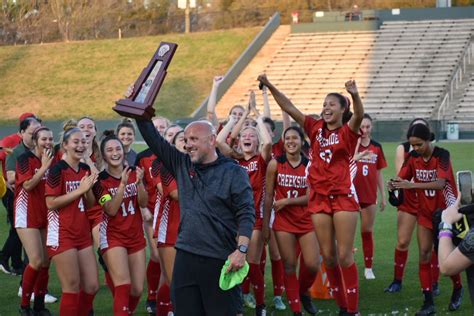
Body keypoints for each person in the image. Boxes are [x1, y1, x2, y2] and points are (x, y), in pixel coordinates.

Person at [258, 74, 364, 315]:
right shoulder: (314, 128)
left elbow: (358, 115)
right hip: (318, 198)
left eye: (332, 104)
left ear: (342, 108)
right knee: (328, 257)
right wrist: (271, 85)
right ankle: (343, 307)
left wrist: (355, 94)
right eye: (324, 104)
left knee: (345, 256)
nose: (326, 108)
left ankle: (353, 310)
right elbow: (289, 107)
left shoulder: (348, 131)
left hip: (342, 197)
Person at [136, 117, 255, 316]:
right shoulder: (182, 164)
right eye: (186, 139)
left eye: (194, 139)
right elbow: (154, 139)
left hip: (219, 259)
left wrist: (241, 250)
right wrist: (140, 111)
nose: (188, 144)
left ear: (211, 140)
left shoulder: (233, 172)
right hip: (185, 257)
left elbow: (246, 213)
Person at [388, 123, 463, 315]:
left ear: (428, 140)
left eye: (419, 144)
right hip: (425, 213)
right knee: (424, 254)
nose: (415, 149)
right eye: (412, 145)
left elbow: (440, 184)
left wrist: (410, 186)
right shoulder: (413, 157)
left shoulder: (442, 155)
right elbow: (401, 177)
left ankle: (457, 288)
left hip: (447, 212)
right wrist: (393, 185)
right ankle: (428, 301)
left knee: (447, 256)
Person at [216, 91, 273, 315]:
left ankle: (260, 305)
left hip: (255, 220)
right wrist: (234, 118)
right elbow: (220, 141)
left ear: (256, 141)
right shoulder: (234, 160)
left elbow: (268, 142)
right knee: (234, 261)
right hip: (232, 220)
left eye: (252, 135)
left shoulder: (260, 160)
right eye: (244, 135)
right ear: (239, 141)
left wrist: (257, 116)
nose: (247, 137)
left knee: (252, 263)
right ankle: (237, 303)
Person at [263, 126, 320, 316]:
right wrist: (265, 225)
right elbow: (268, 195)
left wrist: (287, 201)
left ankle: (303, 292)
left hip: (305, 220)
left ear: (302, 141)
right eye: (287, 138)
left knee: (312, 264)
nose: (290, 142)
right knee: (288, 265)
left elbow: (311, 197)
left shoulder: (309, 165)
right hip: (283, 222)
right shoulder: (274, 164)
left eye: (294, 138)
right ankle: (297, 310)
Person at [45, 127, 99, 315]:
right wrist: (79, 190)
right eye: (75, 142)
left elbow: (91, 203)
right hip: (62, 233)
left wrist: (89, 186)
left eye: (84, 141)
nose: (81, 145)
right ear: (65, 145)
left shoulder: (84, 169)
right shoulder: (56, 170)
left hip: (82, 233)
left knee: (92, 285)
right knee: (71, 287)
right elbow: (51, 203)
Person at [92, 133, 148, 315]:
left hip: (135, 235)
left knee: (137, 289)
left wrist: (139, 183)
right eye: (109, 150)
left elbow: (143, 203)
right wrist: (123, 185)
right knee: (123, 285)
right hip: (113, 236)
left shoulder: (134, 172)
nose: (115, 153)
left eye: (117, 149)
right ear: (103, 155)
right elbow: (110, 209)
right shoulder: (100, 181)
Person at [385, 118, 433, 293]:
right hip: (409, 200)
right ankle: (397, 280)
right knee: (403, 241)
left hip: (429, 200)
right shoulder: (403, 148)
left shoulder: (434, 152)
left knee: (428, 246)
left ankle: (433, 283)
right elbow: (402, 175)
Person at [15, 127, 55, 316]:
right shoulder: (25, 159)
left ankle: (39, 306)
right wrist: (45, 167)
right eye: (43, 139)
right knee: (36, 261)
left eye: (50, 139)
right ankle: (24, 306)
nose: (47, 142)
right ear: (35, 140)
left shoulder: (54, 158)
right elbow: (28, 185)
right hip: (26, 214)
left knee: (46, 262)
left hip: (46, 215)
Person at [2, 115, 41, 276]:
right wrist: (38, 173)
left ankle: (29, 287)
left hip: (41, 206)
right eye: (32, 133)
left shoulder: (42, 151)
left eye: (38, 133)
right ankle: (26, 287)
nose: (35, 137)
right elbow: (11, 178)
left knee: (40, 254)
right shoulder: (16, 152)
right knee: (33, 254)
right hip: (24, 205)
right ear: (22, 132)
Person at [154, 130, 185, 315]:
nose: (186, 143)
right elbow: (175, 194)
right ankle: (164, 310)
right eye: (182, 139)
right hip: (170, 228)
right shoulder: (165, 165)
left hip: (192, 228)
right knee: (171, 279)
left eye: (190, 139)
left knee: (182, 279)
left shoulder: (199, 165)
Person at [352, 113, 387, 280]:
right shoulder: (352, 145)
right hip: (350, 195)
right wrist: (357, 144)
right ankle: (348, 265)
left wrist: (383, 195)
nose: (364, 130)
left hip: (369, 195)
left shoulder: (376, 147)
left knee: (366, 231)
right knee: (348, 233)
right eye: (361, 127)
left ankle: (368, 267)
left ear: (371, 127)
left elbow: (379, 173)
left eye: (367, 127)